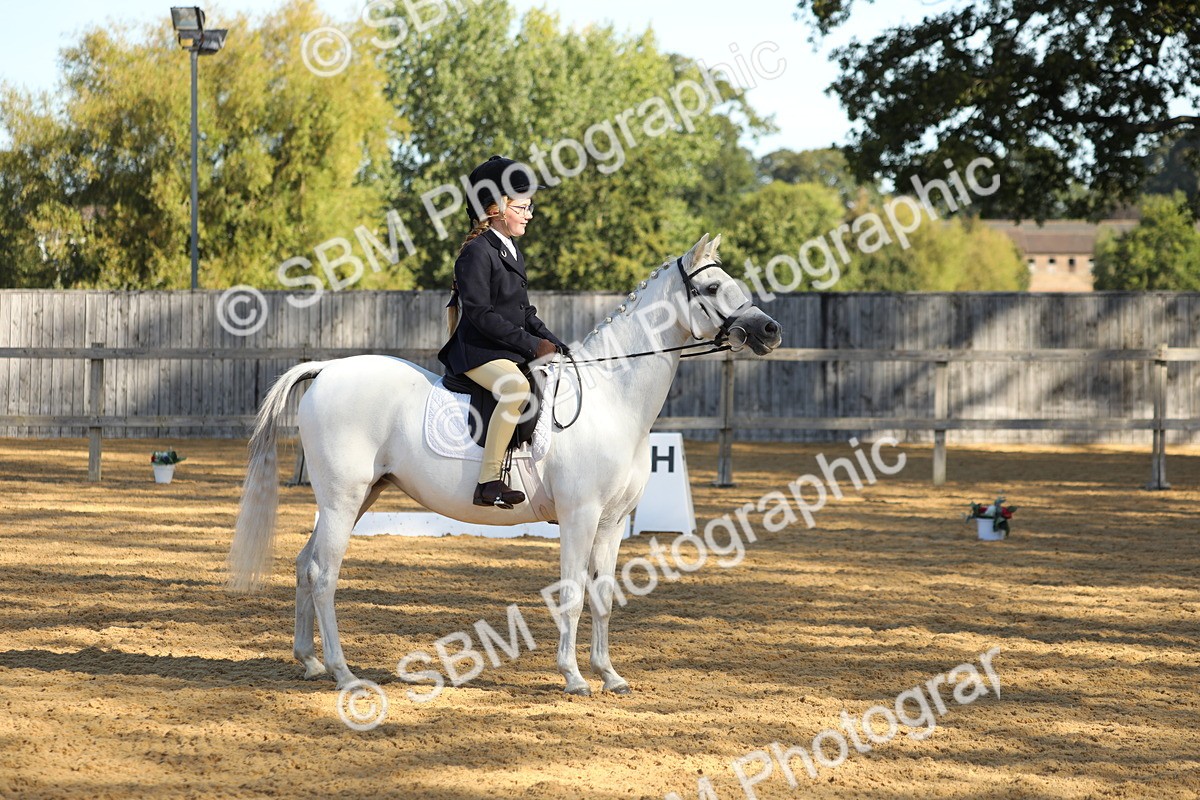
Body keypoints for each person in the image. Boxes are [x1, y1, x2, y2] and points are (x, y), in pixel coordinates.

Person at [437, 156, 567, 509]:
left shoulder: (510, 250)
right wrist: (531, 344)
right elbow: (481, 315)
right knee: (516, 387)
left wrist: (553, 342)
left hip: (502, 348)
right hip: (476, 351)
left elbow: (523, 312)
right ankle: (488, 481)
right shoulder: (477, 253)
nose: (529, 215)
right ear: (495, 209)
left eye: (529, 207)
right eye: (522, 208)